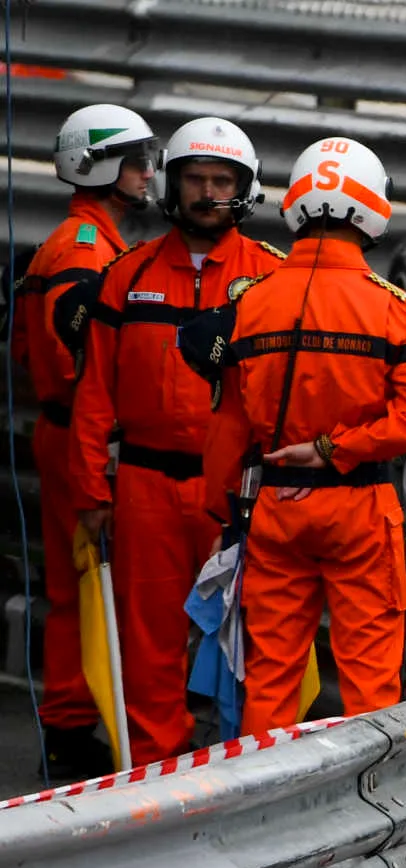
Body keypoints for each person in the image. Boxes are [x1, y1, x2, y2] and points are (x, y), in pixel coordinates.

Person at [201, 136, 406, 734]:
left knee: (271, 678)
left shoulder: (251, 303)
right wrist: (337, 449)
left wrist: (222, 514)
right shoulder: (392, 308)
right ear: (370, 208)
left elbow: (228, 426)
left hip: (274, 511)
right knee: (369, 683)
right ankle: (372, 814)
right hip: (358, 509)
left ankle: (264, 810)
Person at [68, 116, 284, 766]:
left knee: (249, 646)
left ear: (244, 190)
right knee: (149, 646)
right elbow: (93, 396)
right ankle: (155, 791)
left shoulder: (273, 280)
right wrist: (89, 489)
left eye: (223, 181)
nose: (209, 192)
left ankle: (243, 785)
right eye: (196, 178)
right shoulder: (124, 277)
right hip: (144, 490)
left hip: (238, 493)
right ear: (171, 182)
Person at [10, 104, 159, 777]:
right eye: (135, 161)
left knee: (80, 587)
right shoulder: (84, 253)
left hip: (67, 431)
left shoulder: (78, 244)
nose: (147, 174)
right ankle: (75, 734)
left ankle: (74, 728)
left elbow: (21, 348)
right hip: (84, 438)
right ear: (98, 166)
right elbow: (88, 359)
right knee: (91, 587)